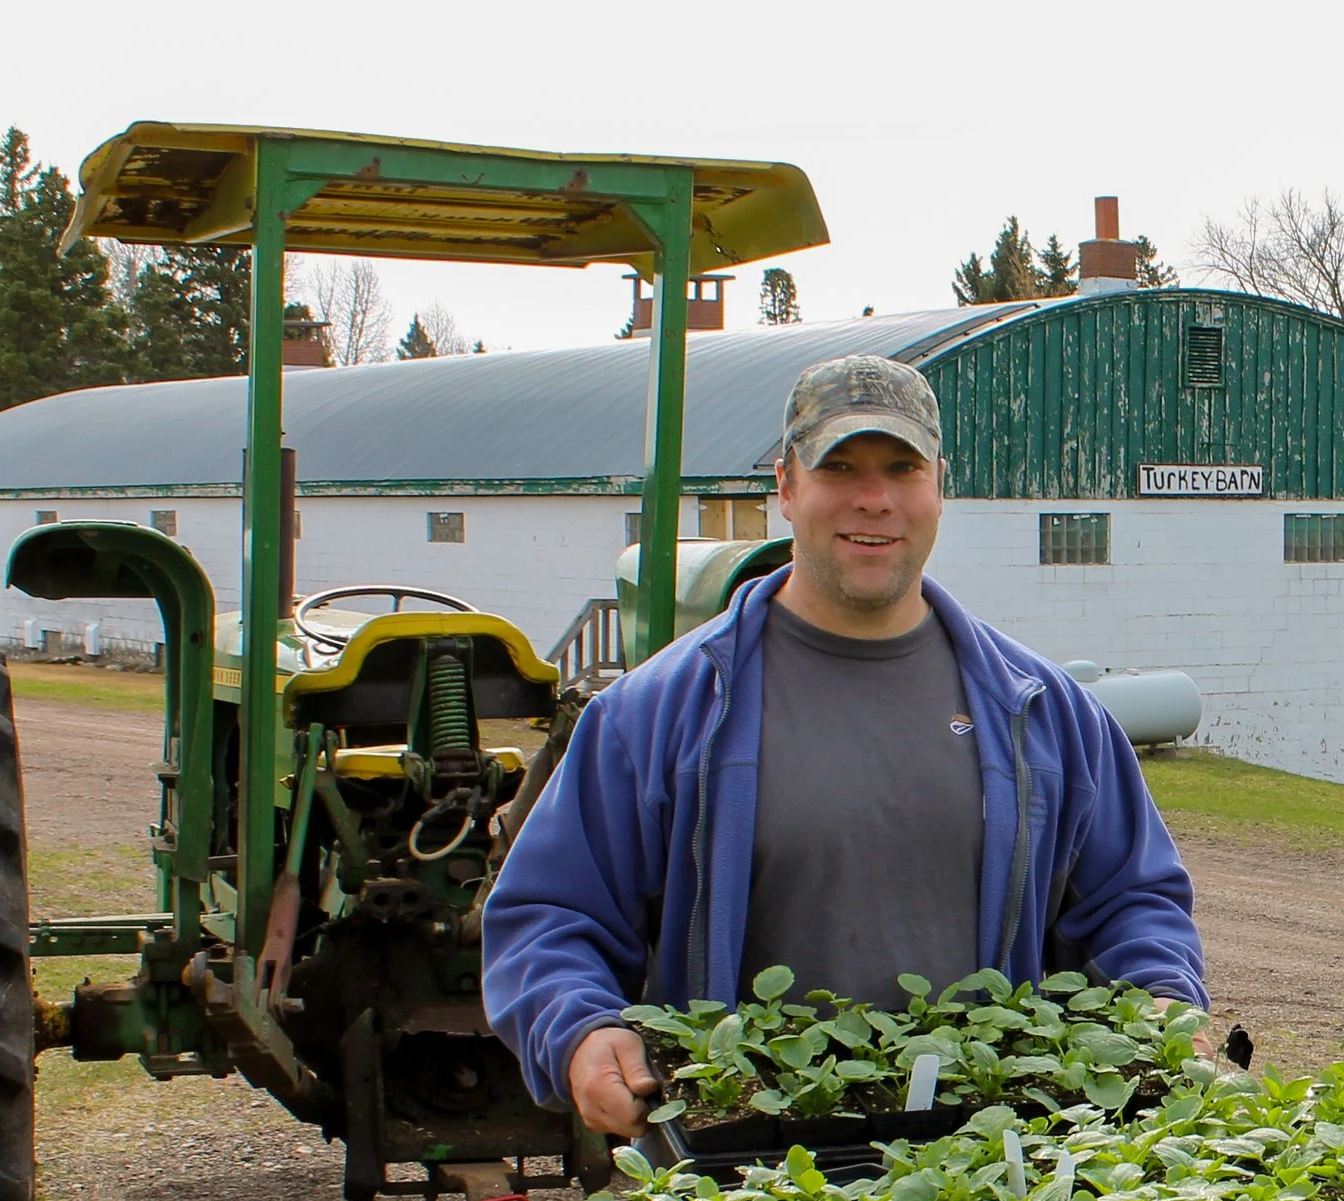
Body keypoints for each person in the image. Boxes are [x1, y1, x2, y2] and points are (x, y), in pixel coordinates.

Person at [483, 353, 1207, 1137]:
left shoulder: (1045, 712)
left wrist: (1161, 997)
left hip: (990, 1160)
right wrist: (578, 1029)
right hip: (748, 1165)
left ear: (939, 486)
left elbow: (1130, 899)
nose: (874, 499)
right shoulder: (657, 714)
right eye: (839, 468)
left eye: (902, 468)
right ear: (786, 486)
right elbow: (552, 912)